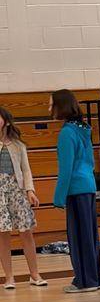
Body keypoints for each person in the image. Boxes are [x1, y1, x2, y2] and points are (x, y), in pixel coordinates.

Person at [50, 89, 100, 293]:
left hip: (76, 189)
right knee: (89, 236)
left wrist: (58, 197)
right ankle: (94, 277)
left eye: (51, 104)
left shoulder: (67, 133)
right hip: (87, 186)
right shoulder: (82, 128)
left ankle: (85, 281)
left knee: (79, 237)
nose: (49, 108)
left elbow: (66, 168)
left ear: (61, 106)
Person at [0, 106, 46, 289]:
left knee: (26, 231)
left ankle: (35, 275)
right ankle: (9, 278)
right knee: (2, 233)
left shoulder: (18, 145)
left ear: (5, 121)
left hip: (16, 190)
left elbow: (26, 170)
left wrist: (30, 190)